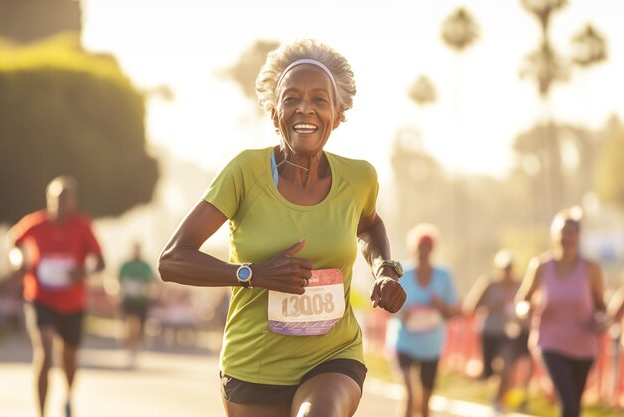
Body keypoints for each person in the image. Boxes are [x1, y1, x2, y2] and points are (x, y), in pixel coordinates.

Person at [158, 39, 406, 417]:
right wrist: (254, 274)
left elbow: (370, 226)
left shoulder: (359, 178)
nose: (305, 108)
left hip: (332, 356)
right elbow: (173, 260)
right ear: (275, 114)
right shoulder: (244, 172)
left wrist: (384, 270)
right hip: (255, 365)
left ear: (338, 114)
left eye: (319, 100)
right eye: (291, 99)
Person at [8, 176, 105, 417]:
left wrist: (83, 272)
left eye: (66, 199)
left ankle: (68, 395)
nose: (60, 204)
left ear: (74, 201)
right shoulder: (36, 223)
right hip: (41, 298)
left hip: (73, 302)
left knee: (69, 357)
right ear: (49, 199)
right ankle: (41, 412)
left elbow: (100, 263)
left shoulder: (83, 226)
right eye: (56, 199)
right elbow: (14, 243)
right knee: (45, 348)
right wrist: (18, 261)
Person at [516, 206, 607, 417]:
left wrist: (600, 320)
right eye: (562, 233)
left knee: (575, 405)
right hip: (550, 342)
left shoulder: (591, 269)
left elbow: (600, 305)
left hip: (583, 345)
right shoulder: (541, 266)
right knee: (567, 401)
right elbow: (522, 300)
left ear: (578, 236)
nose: (566, 238)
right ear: (554, 236)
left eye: (571, 234)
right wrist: (525, 309)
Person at [385, 224, 461, 417]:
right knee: (410, 396)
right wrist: (402, 313)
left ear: (433, 249)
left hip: (431, 346)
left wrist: (441, 306)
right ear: (414, 248)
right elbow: (386, 307)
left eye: (427, 248)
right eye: (420, 247)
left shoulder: (444, 275)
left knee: (425, 404)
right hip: (404, 342)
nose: (423, 252)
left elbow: (455, 311)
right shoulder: (402, 274)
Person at [463, 249, 532, 412]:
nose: (507, 271)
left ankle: (500, 401)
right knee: (492, 372)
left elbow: (527, 304)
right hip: (489, 332)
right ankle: (496, 395)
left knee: (506, 366)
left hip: (509, 333)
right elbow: (470, 307)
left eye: (510, 267)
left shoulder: (519, 285)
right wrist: (493, 306)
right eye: (504, 268)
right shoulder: (489, 283)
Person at [118, 241, 156, 367]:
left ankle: (136, 348)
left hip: (141, 300)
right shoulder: (126, 265)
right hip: (128, 300)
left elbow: (152, 281)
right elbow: (118, 280)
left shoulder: (145, 266)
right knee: (128, 325)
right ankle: (128, 347)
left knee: (140, 327)